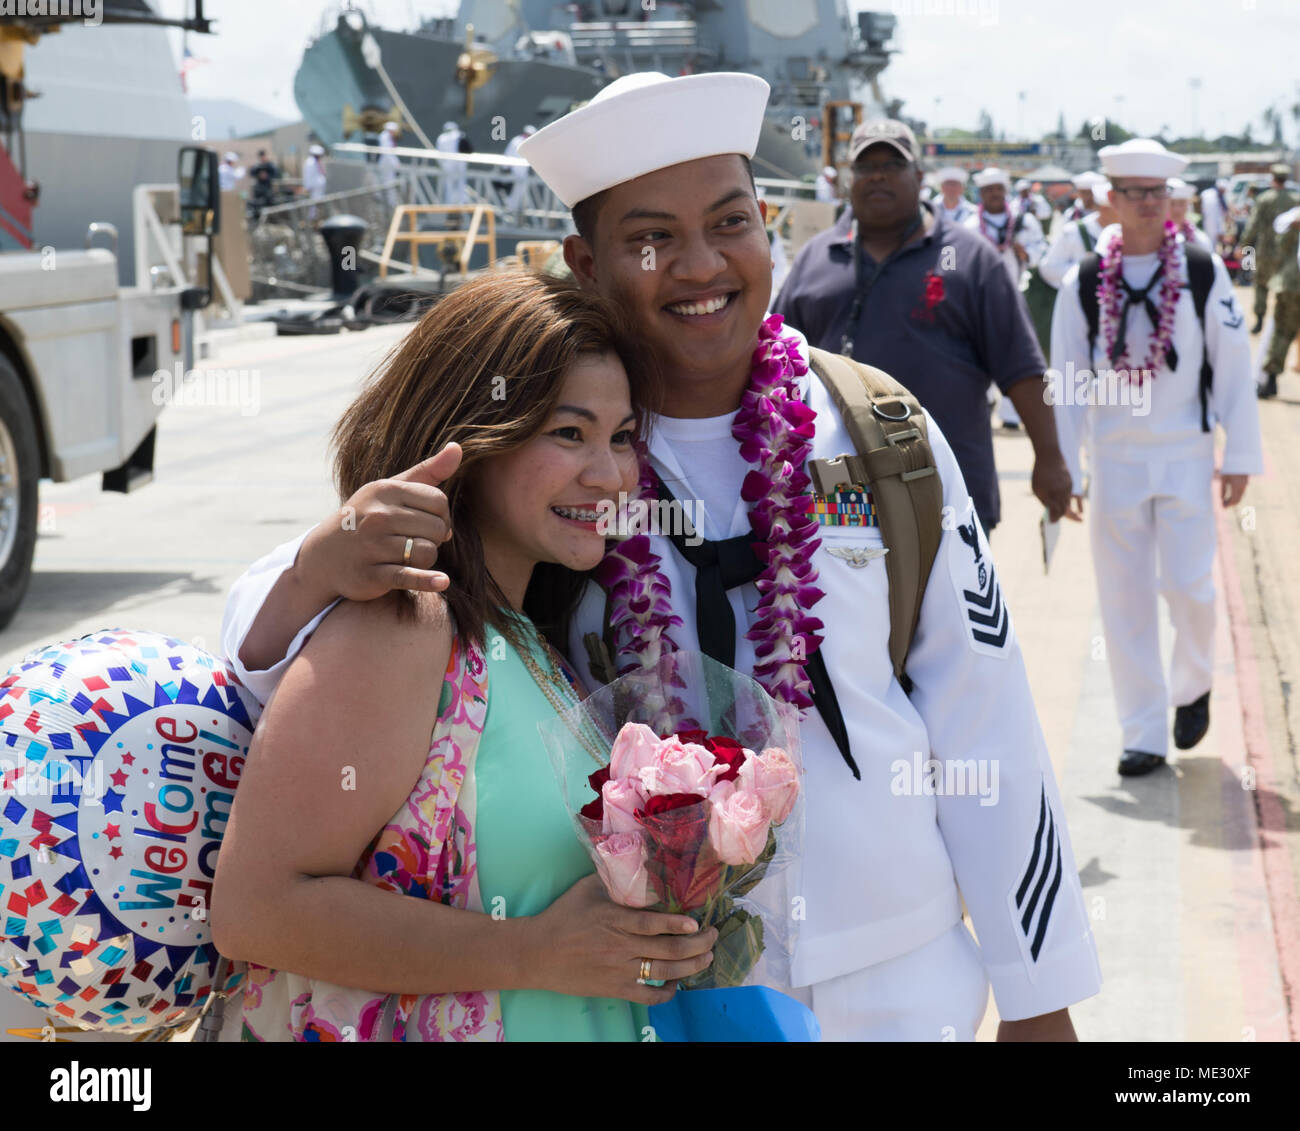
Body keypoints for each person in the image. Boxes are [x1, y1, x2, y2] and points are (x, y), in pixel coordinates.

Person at [222, 72, 1102, 1042]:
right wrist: (308, 569)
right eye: (649, 238)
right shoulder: (547, 450)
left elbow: (986, 722)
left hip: (893, 969)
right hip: (641, 992)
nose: (699, 265)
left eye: (730, 223)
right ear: (584, 263)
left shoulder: (876, 431)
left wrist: (1038, 996)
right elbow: (355, 602)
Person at [210, 271, 722, 1042]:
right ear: (472, 440)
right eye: (568, 433)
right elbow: (256, 910)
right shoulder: (407, 626)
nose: (610, 474)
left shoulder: (525, 637)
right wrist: (531, 951)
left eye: (621, 438)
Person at [1049, 138, 1262, 777]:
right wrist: (1066, 465)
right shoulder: (1082, 280)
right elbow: (1065, 380)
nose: (1147, 204)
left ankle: (1193, 684)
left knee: (1191, 588)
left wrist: (1241, 452)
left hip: (1185, 453)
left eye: (1157, 193)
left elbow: (1231, 362)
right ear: (1110, 200)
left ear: (1171, 199)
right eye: (1133, 193)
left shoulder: (1201, 269)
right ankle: (1142, 731)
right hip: (1114, 459)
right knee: (1124, 599)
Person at [773, 119, 1071, 536]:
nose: (877, 174)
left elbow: (1020, 367)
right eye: (865, 166)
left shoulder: (971, 259)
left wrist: (1051, 458)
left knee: (949, 598)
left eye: (892, 164)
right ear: (848, 180)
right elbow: (776, 367)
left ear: (918, 177)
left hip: (947, 488)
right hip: (842, 497)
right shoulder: (816, 259)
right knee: (856, 594)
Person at [967, 167, 1046, 428]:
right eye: (988, 190)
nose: (994, 195)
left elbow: (1042, 252)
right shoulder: (970, 225)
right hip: (979, 299)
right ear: (981, 194)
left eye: (998, 189)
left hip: (1017, 294)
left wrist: (1026, 254)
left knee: (1017, 354)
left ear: (1005, 191)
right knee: (979, 351)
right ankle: (985, 402)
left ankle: (1012, 415)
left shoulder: (1025, 222)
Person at [1237, 163, 1299, 334]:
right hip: (1288, 252)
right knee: (1285, 287)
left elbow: (1252, 226)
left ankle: (1259, 320)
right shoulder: (1296, 198)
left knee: (1261, 286)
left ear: (1273, 178)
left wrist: (1243, 245)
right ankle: (1283, 324)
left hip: (1266, 251)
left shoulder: (1264, 199)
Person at [1039, 180, 1117, 288]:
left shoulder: (1124, 232)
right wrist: (1086, 272)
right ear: (1104, 208)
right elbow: (1049, 268)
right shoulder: (1073, 231)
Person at [1257, 202, 1300, 399]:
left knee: (1282, 332)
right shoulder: (1292, 217)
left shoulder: (1291, 218)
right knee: (1282, 330)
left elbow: (1278, 248)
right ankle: (1270, 379)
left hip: (1289, 284)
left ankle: (1271, 380)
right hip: (1290, 284)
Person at [1167, 177, 1212, 251]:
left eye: (1181, 203)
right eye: (1171, 204)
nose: (1176, 209)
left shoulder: (1200, 239)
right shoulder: (1153, 238)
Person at [504, 124, 538, 218]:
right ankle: (512, 210)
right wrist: (506, 168)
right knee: (514, 191)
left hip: (522, 172)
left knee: (520, 191)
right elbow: (509, 153)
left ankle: (517, 211)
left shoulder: (522, 141)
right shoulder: (517, 141)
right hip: (515, 171)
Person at [436, 119, 469, 205]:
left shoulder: (441, 138)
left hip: (447, 165)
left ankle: (449, 204)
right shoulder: (460, 135)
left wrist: (442, 165)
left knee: (449, 186)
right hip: (460, 164)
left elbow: (439, 154)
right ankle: (461, 203)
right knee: (461, 185)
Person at [1199, 178, 1228, 251]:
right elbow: (1217, 216)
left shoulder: (1207, 193)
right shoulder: (1213, 196)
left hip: (1208, 224)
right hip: (1211, 226)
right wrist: (1220, 230)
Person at [248, 148, 279, 214]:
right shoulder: (257, 165)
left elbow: (276, 174)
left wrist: (267, 176)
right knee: (256, 203)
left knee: (268, 201)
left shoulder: (270, 165)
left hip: (268, 187)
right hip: (259, 188)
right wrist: (259, 175)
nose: (262, 158)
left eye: (263, 156)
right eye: (261, 156)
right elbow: (252, 173)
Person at [378, 120, 402, 206]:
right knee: (388, 183)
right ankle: (389, 202)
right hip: (386, 163)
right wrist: (395, 163)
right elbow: (387, 152)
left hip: (387, 163)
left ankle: (389, 201)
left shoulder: (387, 137)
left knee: (388, 182)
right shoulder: (385, 137)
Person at [302, 144, 327, 220]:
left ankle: (314, 218)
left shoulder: (312, 161)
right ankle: (312, 219)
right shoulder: (312, 162)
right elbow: (313, 176)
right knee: (313, 204)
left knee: (314, 204)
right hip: (315, 186)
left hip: (314, 186)